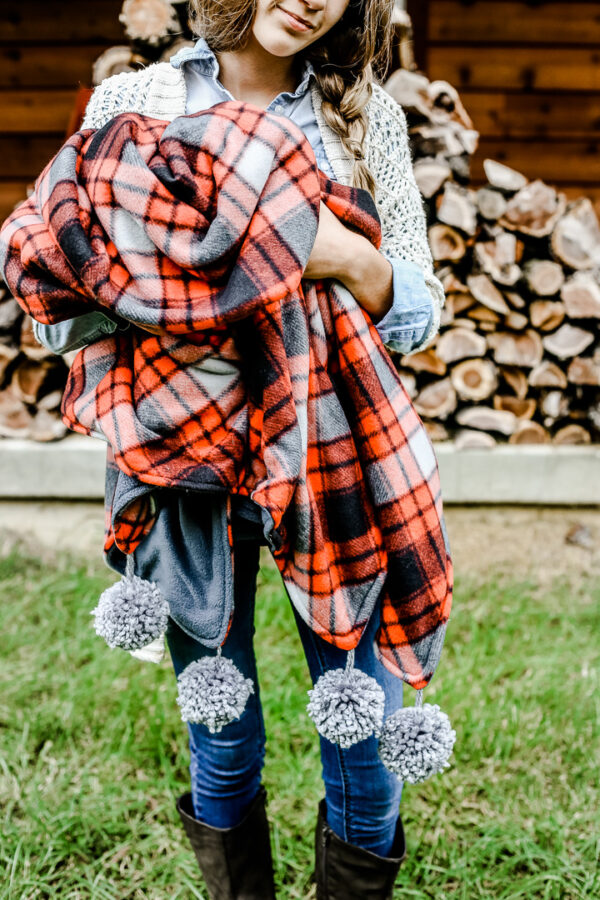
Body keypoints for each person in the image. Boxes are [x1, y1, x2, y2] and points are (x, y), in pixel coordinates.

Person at [30, 1, 449, 897]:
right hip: (187, 467)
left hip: (333, 465)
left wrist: (345, 257)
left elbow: (417, 314)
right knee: (221, 738)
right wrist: (176, 292)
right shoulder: (135, 102)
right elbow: (62, 299)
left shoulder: (366, 114)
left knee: (364, 743)